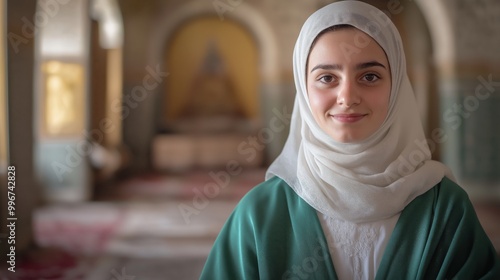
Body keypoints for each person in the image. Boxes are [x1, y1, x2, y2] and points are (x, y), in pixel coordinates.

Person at [199, 1, 500, 279]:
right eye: (327, 78)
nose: (347, 97)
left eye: (369, 76)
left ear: (396, 88)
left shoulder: (445, 209)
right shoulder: (260, 213)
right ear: (303, 91)